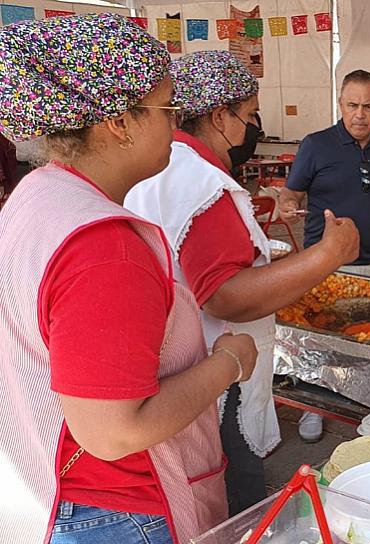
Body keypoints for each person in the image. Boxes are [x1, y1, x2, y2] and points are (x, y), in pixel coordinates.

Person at [0, 14, 259, 543]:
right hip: (118, 511)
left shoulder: (38, 194)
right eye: (167, 109)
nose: (175, 127)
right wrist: (229, 363)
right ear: (120, 122)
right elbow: (116, 430)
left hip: (58, 486)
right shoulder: (103, 248)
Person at [124, 51, 360, 515]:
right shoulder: (202, 182)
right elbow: (223, 295)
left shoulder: (160, 170)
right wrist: (326, 256)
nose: (254, 128)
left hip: (177, 365)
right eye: (250, 116)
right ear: (219, 116)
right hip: (217, 369)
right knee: (236, 495)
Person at [279, 69, 370, 442]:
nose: (359, 114)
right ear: (340, 104)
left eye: (368, 107)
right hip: (328, 264)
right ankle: (314, 408)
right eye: (352, 105)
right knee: (322, 339)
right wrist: (287, 206)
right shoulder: (316, 145)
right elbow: (291, 193)